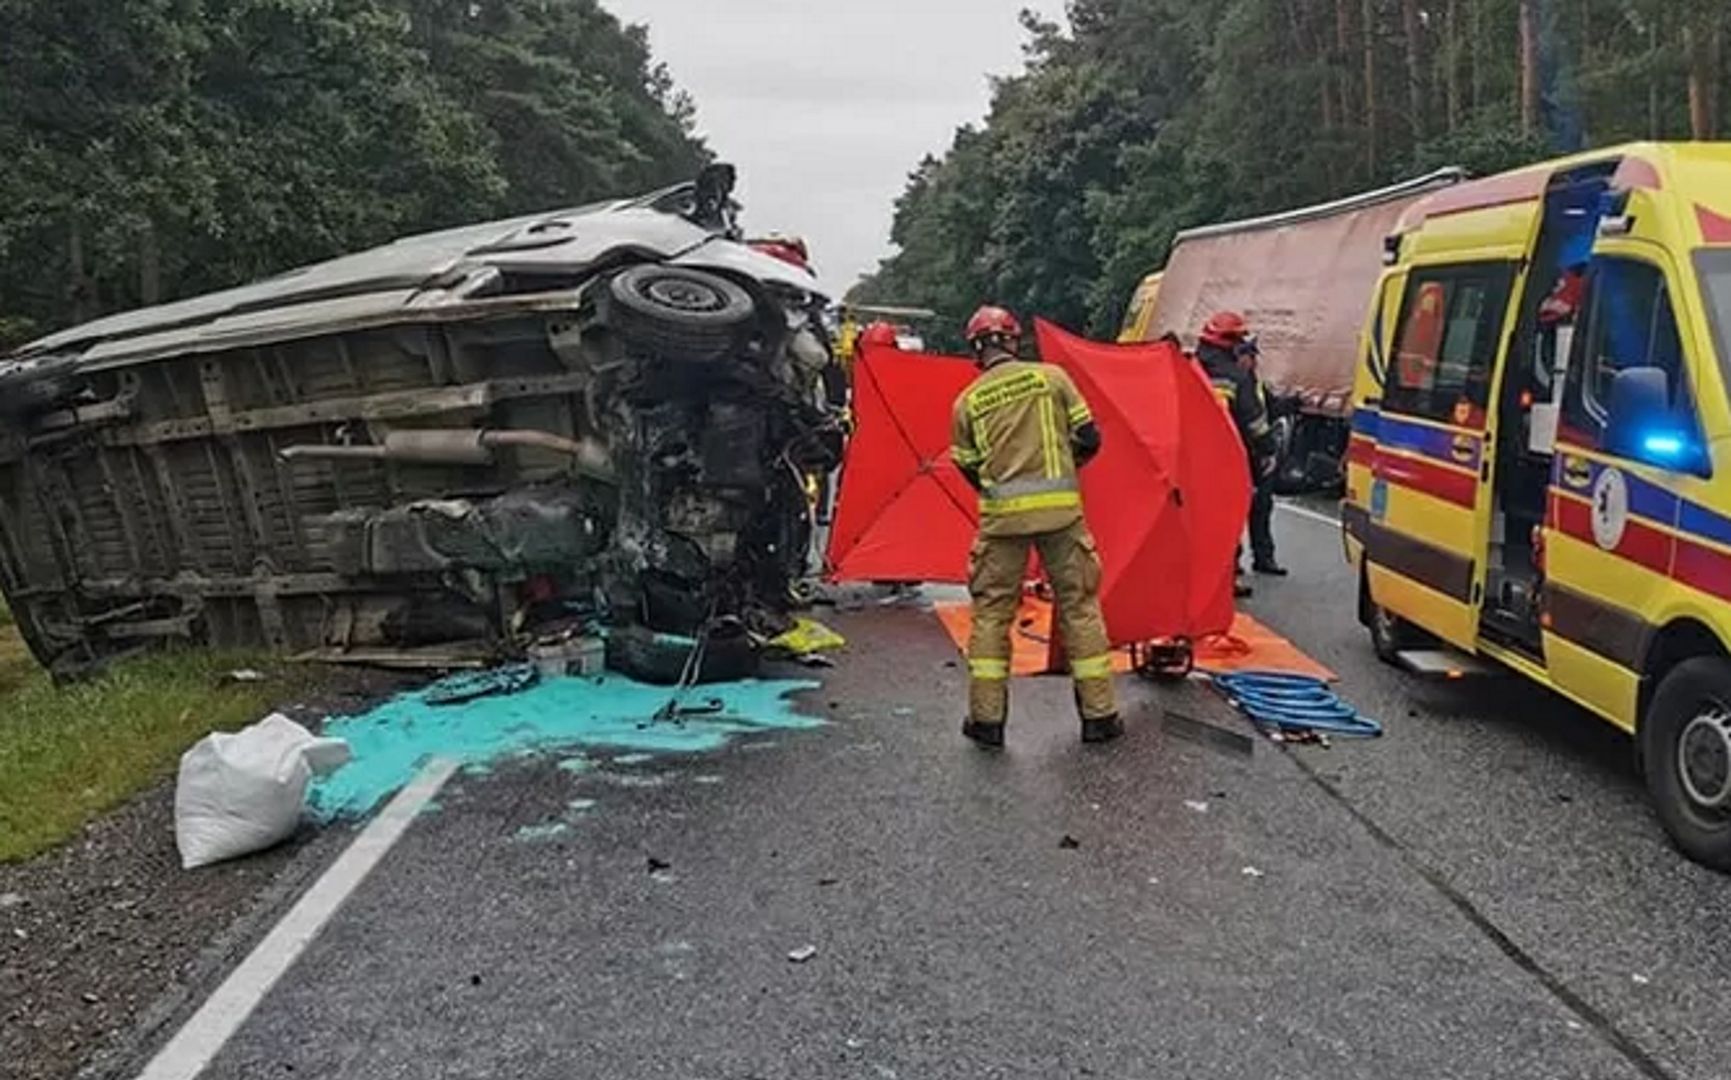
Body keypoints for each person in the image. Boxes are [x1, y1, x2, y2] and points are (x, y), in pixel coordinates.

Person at [949, 305, 1122, 747]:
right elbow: (1090, 438)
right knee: (1080, 608)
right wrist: (1065, 466)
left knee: (991, 616)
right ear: (1013, 341)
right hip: (1062, 517)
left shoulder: (966, 403)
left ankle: (986, 723)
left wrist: (999, 488)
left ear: (976, 350)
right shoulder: (1053, 379)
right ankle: (1099, 716)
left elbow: (968, 467)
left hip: (1001, 522)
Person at [1194, 311, 1279, 596]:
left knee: (1198, 520)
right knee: (1225, 521)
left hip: (1191, 458)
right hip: (1226, 460)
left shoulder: (1190, 367)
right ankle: (1224, 581)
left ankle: (1195, 578)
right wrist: (1268, 448)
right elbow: (1253, 421)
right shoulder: (1235, 376)